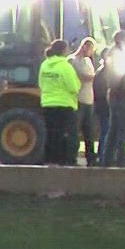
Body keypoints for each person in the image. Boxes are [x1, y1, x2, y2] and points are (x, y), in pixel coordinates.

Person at [38, 38, 82, 166]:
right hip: (65, 104)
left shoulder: (45, 65)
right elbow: (74, 87)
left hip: (47, 103)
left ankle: (51, 159)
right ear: (63, 50)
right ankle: (68, 160)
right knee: (69, 134)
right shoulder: (65, 66)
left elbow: (41, 83)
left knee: (52, 133)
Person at [101, 32, 125, 167]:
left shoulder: (112, 54)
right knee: (122, 130)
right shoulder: (119, 55)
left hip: (115, 96)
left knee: (113, 129)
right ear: (122, 40)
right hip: (122, 97)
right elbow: (120, 78)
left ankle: (106, 159)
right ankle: (121, 161)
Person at [70, 39, 101, 166]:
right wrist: (92, 78)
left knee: (89, 132)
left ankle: (91, 159)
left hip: (89, 100)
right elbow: (74, 76)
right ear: (84, 47)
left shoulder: (88, 61)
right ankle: (72, 157)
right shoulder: (72, 60)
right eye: (90, 49)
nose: (91, 52)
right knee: (75, 131)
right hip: (78, 100)